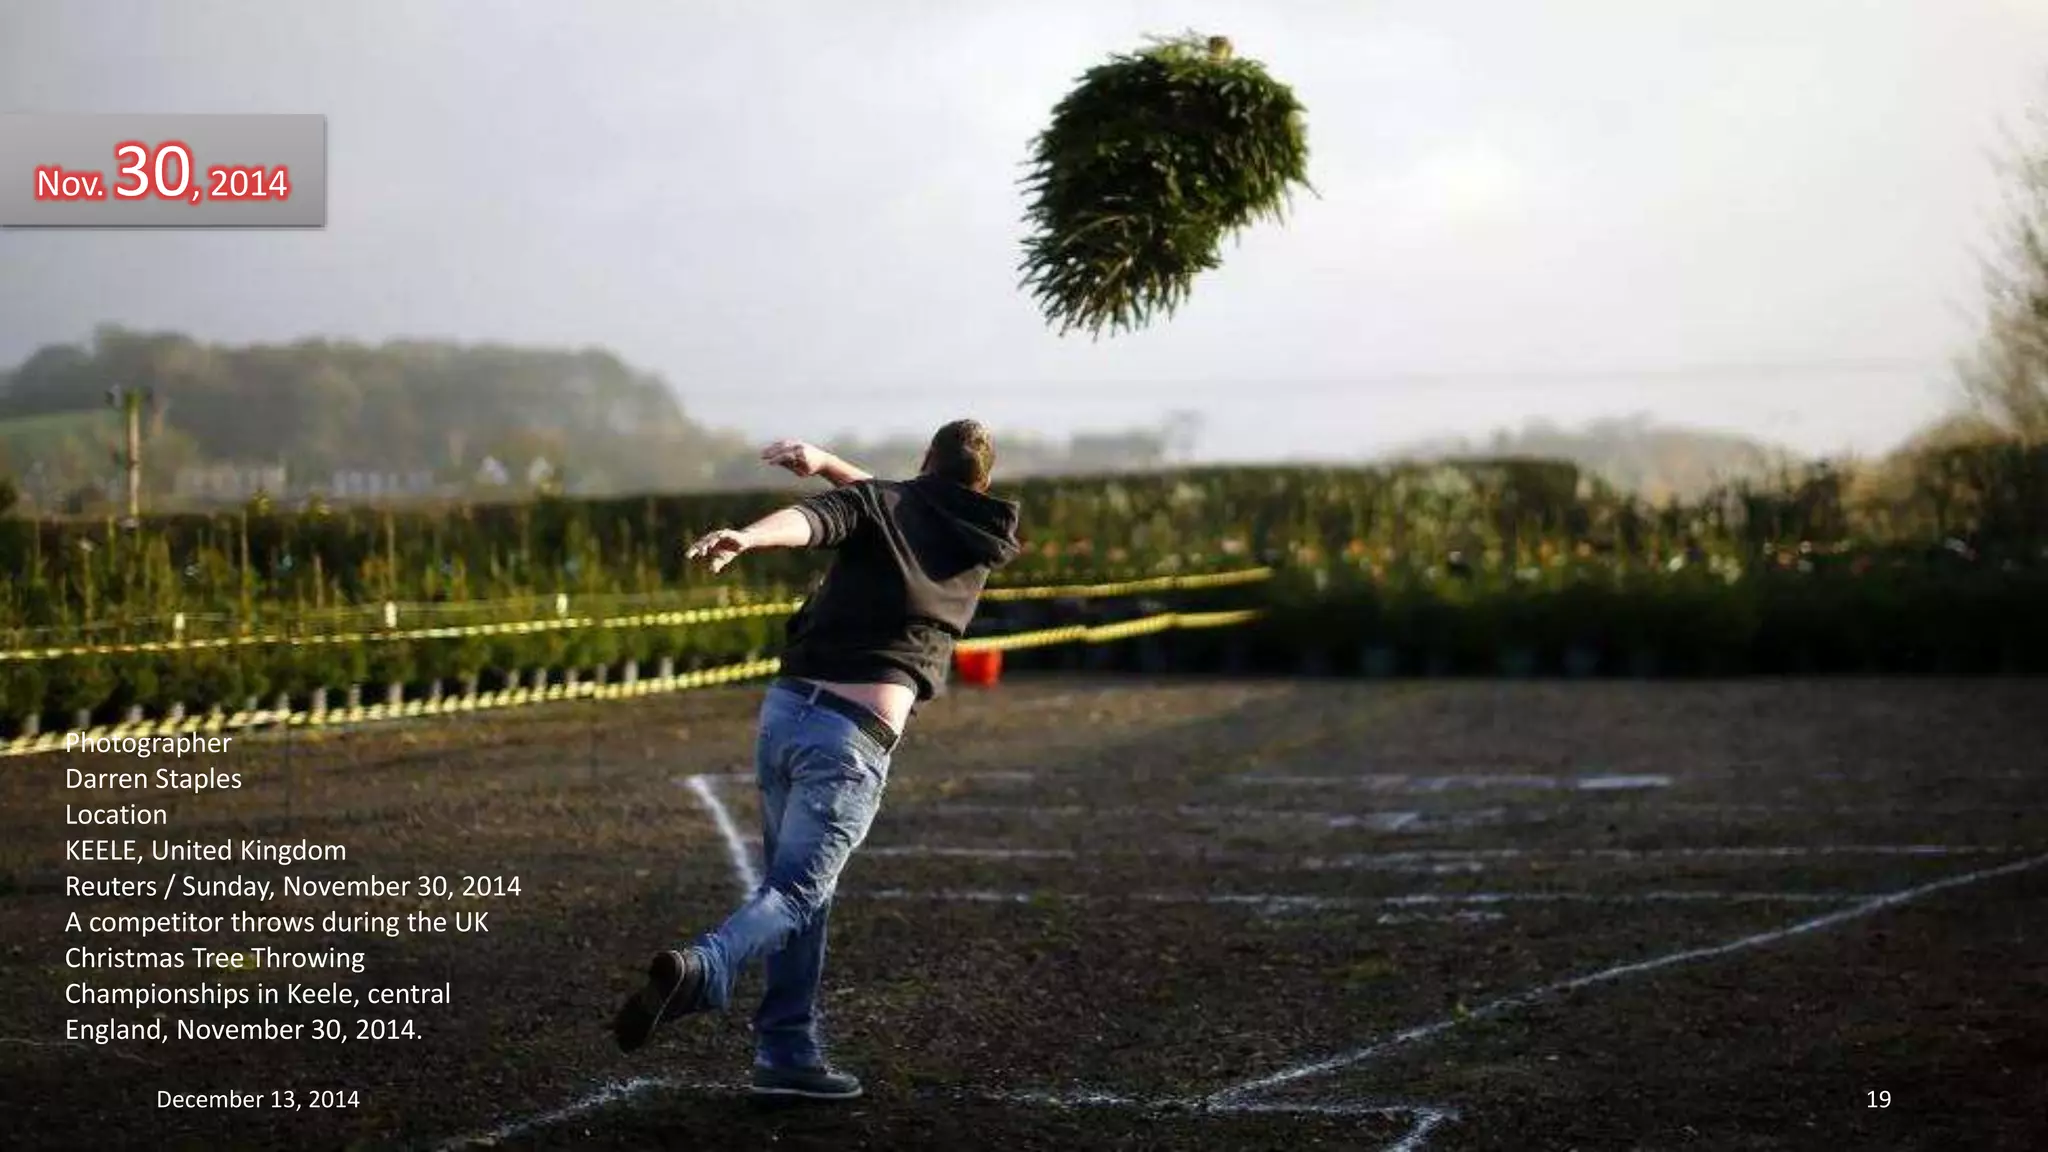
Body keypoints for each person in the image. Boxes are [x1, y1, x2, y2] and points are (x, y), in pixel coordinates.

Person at [613, 419, 1022, 1101]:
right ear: (983, 483)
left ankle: (785, 1053)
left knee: (803, 894)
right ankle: (707, 968)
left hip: (785, 716)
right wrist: (830, 465)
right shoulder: (980, 541)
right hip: (851, 738)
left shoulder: (883, 504)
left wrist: (749, 535)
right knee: (798, 893)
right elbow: (871, 502)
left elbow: (818, 519)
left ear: (923, 462)